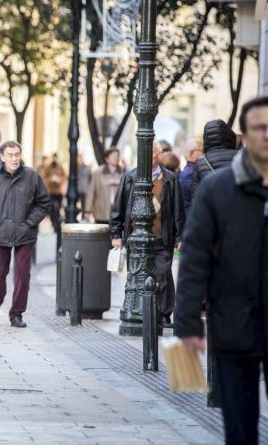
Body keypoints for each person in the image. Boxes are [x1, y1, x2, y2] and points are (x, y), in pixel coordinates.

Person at [174, 96, 268, 444]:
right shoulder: (218, 189)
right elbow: (195, 258)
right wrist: (186, 323)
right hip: (233, 324)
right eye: (260, 128)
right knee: (240, 429)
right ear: (245, 135)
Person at [0, 140, 51, 327]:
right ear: (2, 157)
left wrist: (29, 222)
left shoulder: (31, 176)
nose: (14, 159)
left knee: (23, 276)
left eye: (17, 154)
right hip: (1, 232)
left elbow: (44, 203)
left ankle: (16, 313)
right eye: (10, 155)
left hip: (25, 234)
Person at [110, 141, 184, 327]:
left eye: (151, 153)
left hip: (161, 236)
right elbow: (118, 208)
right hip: (136, 237)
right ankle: (140, 311)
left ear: (158, 155)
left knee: (163, 274)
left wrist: (179, 236)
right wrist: (116, 234)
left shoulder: (170, 179)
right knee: (137, 276)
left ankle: (164, 312)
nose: (147, 156)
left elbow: (178, 210)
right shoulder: (130, 177)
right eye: (143, 152)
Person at [190, 119, 238, 209]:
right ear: (229, 135)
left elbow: (196, 198)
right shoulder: (242, 157)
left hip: (213, 213)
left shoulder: (201, 162)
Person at [84, 147, 124, 224]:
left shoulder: (123, 173)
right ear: (107, 159)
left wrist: (118, 182)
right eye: (113, 156)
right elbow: (91, 191)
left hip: (118, 211)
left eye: (117, 155)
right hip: (101, 211)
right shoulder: (98, 173)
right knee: (101, 234)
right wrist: (87, 210)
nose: (116, 158)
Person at [39, 153, 66, 245]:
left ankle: (57, 222)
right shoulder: (48, 167)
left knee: (58, 208)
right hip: (50, 191)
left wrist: (59, 180)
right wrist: (51, 179)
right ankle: (53, 220)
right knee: (51, 208)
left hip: (58, 191)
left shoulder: (60, 167)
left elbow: (64, 176)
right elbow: (44, 177)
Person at [178, 139, 202, 214]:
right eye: (202, 150)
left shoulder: (190, 171)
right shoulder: (189, 173)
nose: (204, 154)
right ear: (192, 153)